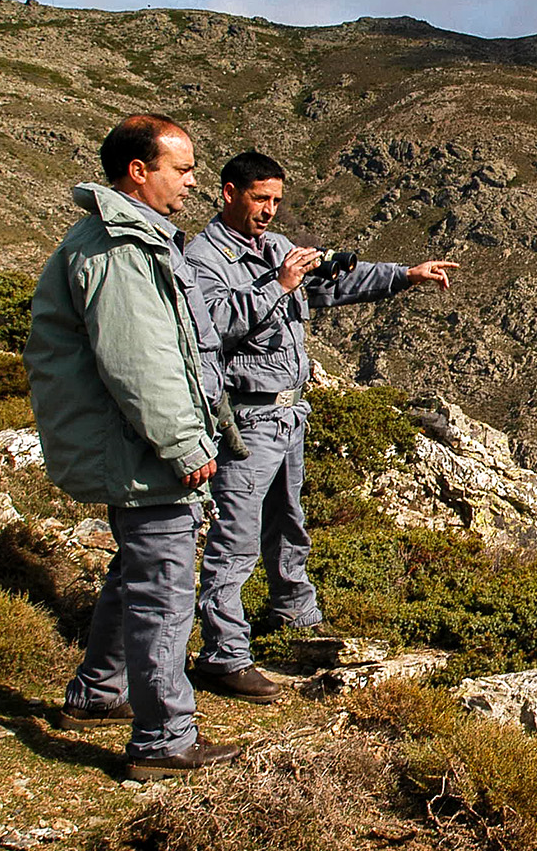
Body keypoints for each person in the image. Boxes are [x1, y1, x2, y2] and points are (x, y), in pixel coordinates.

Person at [185, 150, 457, 700]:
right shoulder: (202, 258)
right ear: (228, 192)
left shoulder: (275, 248)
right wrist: (278, 286)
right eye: (260, 198)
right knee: (235, 538)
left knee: (288, 521)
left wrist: (405, 274)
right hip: (246, 414)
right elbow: (210, 327)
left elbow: (329, 285)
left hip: (289, 412)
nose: (269, 211)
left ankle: (294, 617)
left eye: (277, 201)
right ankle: (223, 655)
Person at [24, 114, 240, 781]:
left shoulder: (136, 240)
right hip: (142, 447)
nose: (194, 180)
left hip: (136, 442)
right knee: (163, 589)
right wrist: (182, 441)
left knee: (137, 571)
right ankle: (163, 741)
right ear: (138, 172)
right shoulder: (119, 249)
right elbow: (138, 360)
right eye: (183, 168)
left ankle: (98, 691)